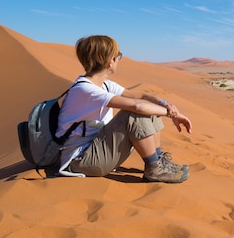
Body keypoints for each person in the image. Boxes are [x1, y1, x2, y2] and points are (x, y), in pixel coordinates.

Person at [56, 35, 192, 183]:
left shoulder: (104, 84)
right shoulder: (85, 89)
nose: (119, 60)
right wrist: (172, 114)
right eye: (118, 56)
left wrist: (165, 104)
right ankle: (154, 168)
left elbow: (141, 96)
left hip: (96, 149)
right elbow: (136, 106)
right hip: (80, 160)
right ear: (110, 61)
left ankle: (158, 162)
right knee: (135, 112)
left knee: (150, 108)